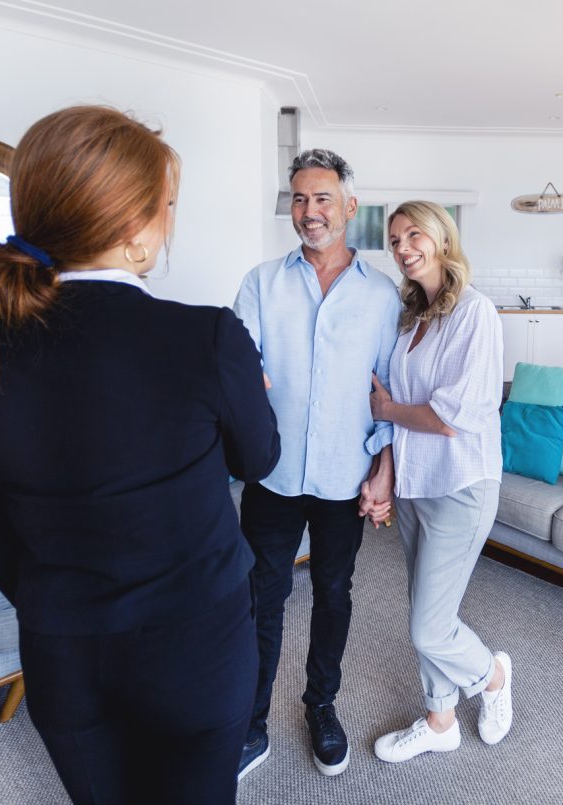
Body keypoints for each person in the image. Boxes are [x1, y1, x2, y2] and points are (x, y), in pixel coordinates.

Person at [0, 105, 280, 804]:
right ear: (133, 229)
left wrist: (59, 595)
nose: (171, 222)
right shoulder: (206, 337)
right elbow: (259, 460)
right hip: (198, 643)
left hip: (63, 644)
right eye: (168, 206)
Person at [233, 148, 400, 780]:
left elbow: (386, 392)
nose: (310, 211)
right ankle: (249, 722)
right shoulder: (260, 282)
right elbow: (242, 373)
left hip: (343, 477)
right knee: (260, 599)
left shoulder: (383, 296)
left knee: (333, 594)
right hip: (272, 476)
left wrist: (383, 469)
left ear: (349, 207)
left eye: (322, 198)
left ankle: (321, 706)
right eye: (300, 199)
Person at [368, 200, 513, 763]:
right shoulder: (412, 320)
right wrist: (386, 471)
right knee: (429, 611)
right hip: (416, 486)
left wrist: (387, 408)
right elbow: (405, 413)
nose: (404, 247)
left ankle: (494, 677)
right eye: (396, 238)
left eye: (414, 235)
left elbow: (452, 417)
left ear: (442, 239)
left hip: (462, 486)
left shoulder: (475, 313)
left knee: (430, 628)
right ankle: (440, 719)